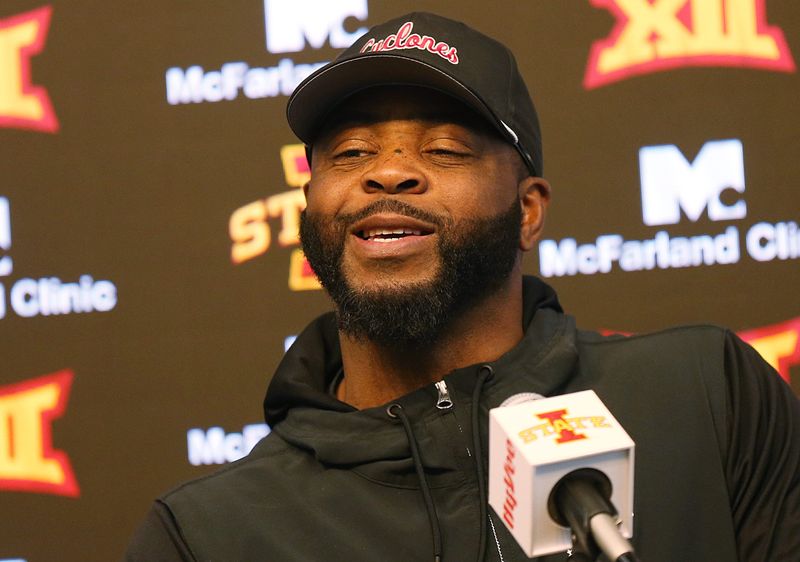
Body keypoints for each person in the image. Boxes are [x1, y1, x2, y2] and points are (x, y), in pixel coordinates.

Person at [125, 12, 800, 562]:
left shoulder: (705, 397)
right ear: (310, 208)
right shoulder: (209, 534)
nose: (388, 174)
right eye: (351, 153)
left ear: (528, 210)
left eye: (444, 150)